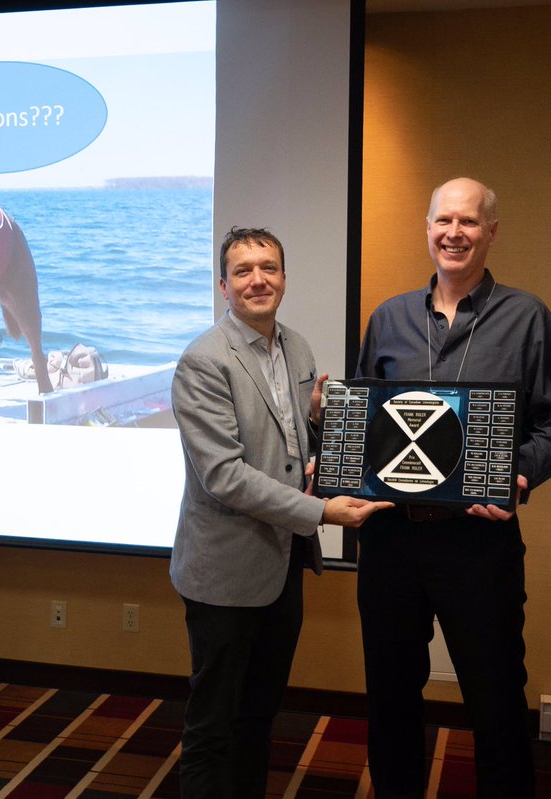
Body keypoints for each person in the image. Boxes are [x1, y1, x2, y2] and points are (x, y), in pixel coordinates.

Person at [354, 177, 551, 798]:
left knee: (496, 697)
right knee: (391, 693)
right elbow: (365, 419)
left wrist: (516, 475)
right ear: (427, 228)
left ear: (491, 233)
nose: (454, 233)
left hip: (479, 543)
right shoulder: (389, 317)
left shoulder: (527, 317)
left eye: (469, 222)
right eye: (443, 221)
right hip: (392, 540)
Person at [170, 226, 393, 799]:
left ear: (285, 279)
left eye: (268, 267)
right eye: (243, 271)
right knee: (213, 724)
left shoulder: (296, 347)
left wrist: (318, 419)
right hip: (224, 571)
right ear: (224, 285)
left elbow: (291, 445)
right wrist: (321, 511)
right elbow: (224, 477)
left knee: (259, 715)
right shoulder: (203, 360)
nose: (257, 280)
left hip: (282, 563)